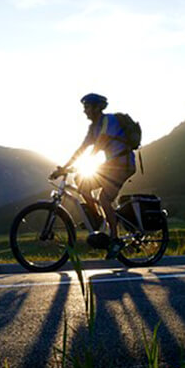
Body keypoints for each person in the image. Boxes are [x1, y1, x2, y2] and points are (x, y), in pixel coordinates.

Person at [50, 93, 137, 259]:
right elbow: (82, 149)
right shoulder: (93, 128)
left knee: (104, 199)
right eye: (84, 107)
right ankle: (97, 219)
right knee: (82, 184)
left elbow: (100, 144)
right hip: (112, 165)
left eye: (88, 107)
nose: (85, 111)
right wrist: (64, 167)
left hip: (123, 164)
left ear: (98, 107)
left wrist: (85, 163)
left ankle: (115, 239)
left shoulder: (108, 121)